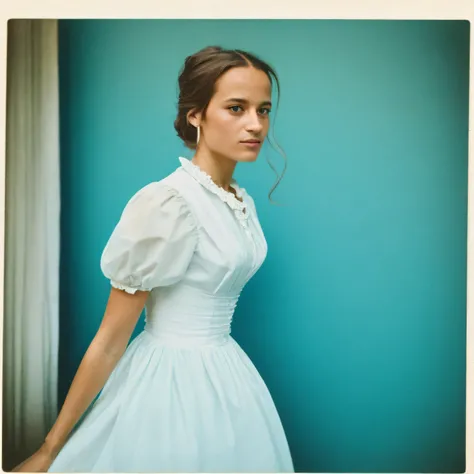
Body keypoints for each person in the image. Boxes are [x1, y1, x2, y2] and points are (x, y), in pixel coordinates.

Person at [13, 45, 294, 473]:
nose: (255, 124)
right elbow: (109, 340)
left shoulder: (241, 201)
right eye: (236, 108)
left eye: (263, 109)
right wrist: (51, 449)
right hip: (168, 385)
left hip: (228, 376)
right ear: (195, 115)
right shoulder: (168, 203)